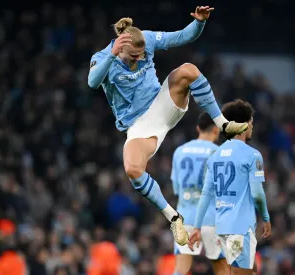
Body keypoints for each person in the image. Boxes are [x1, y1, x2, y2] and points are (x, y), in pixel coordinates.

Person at [87, 6, 248, 246]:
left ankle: (223, 124)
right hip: (139, 126)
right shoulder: (103, 58)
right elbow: (92, 82)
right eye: (133, 57)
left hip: (162, 104)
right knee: (132, 168)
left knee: (188, 71)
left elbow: (183, 36)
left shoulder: (147, 40)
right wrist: (111, 54)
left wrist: (200, 23)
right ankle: (173, 217)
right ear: (119, 49)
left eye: (142, 55)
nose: (140, 59)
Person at [188, 99, 272, 275]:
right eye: (251, 123)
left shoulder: (215, 155)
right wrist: (265, 217)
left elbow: (206, 194)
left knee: (250, 268)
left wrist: (197, 227)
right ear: (245, 124)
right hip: (240, 228)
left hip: (223, 227)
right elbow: (257, 193)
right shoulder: (252, 155)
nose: (252, 127)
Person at [171, 112, 227, 275]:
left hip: (185, 218)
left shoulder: (179, 151)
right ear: (216, 130)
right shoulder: (219, 153)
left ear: (198, 128)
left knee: (181, 268)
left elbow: (177, 189)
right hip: (211, 219)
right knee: (222, 268)